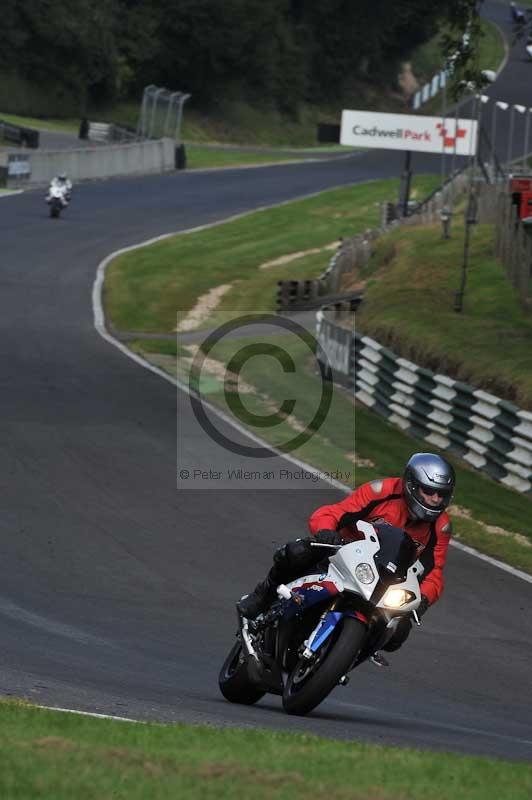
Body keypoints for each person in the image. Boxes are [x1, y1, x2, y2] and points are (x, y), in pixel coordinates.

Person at [238, 452, 455, 656]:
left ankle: (347, 656)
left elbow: (433, 570)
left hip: (387, 580)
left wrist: (424, 598)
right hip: (344, 552)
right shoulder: (381, 492)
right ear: (411, 485)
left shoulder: (440, 526)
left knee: (399, 632)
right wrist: (326, 531)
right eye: (429, 492)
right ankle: (263, 595)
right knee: (297, 552)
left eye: (441, 495)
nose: (435, 499)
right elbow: (335, 512)